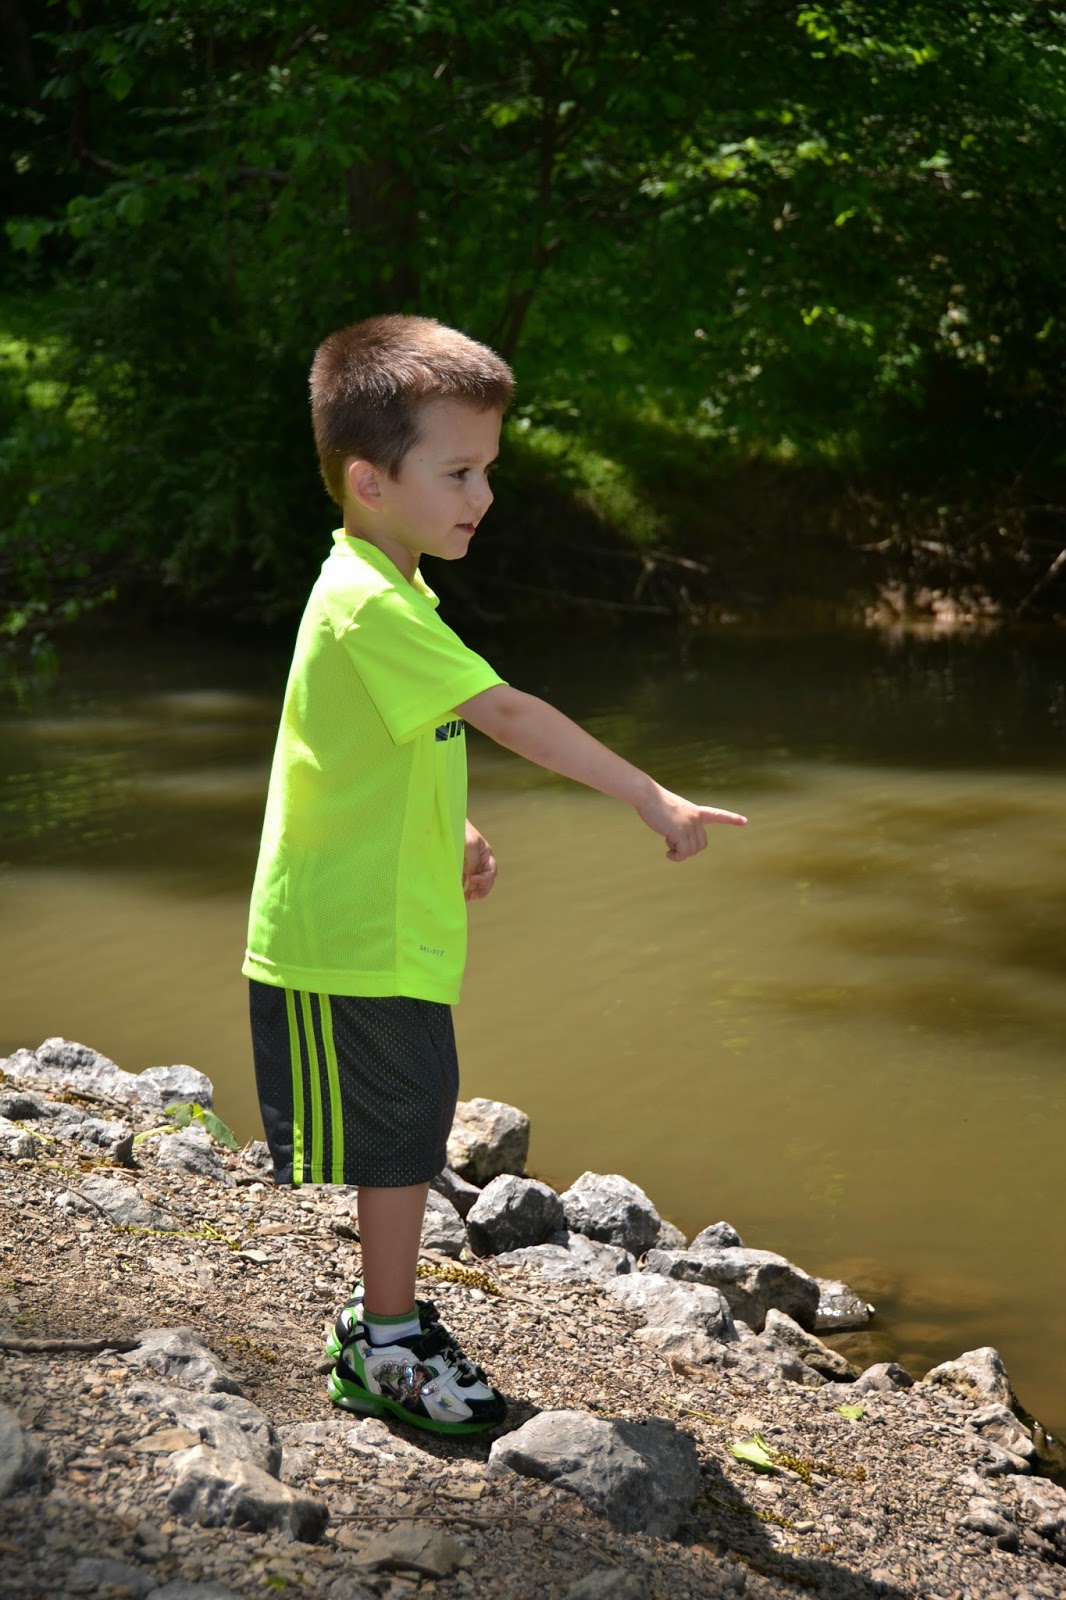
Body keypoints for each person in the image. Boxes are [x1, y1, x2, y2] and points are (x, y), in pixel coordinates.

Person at [244, 314, 747, 1437]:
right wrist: (648, 794)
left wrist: (454, 823)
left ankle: (386, 1323)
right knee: (398, 1135)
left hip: (387, 917)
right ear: (370, 481)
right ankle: (385, 1342)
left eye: (489, 469)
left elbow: (373, 745)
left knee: (412, 1122)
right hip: (347, 928)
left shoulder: (390, 588)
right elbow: (506, 713)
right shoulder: (371, 601)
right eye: (459, 471)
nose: (485, 494)